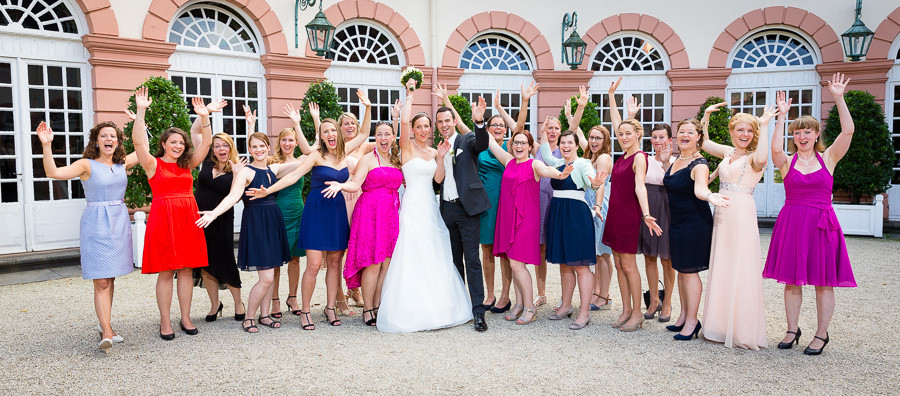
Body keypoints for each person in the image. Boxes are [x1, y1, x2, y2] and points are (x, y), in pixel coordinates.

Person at [244, 90, 370, 330]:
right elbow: (292, 177)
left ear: (338, 134)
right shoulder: (315, 156)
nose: (330, 134)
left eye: (333, 130)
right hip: (315, 213)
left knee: (335, 263)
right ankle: (305, 310)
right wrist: (267, 191)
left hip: (336, 213)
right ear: (320, 136)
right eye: (325, 131)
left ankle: (330, 307)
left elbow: (364, 133)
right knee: (313, 265)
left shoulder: (344, 152)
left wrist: (368, 106)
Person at [764, 74, 856, 355]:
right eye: (797, 132)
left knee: (823, 281)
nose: (802, 137)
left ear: (816, 135)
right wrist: (781, 117)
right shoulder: (786, 162)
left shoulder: (829, 158)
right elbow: (775, 149)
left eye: (807, 132)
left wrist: (839, 98)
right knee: (792, 280)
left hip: (820, 224)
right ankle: (792, 329)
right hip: (792, 223)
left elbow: (848, 131)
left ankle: (821, 334)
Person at [375, 87, 475, 333]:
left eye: (426, 126)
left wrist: (440, 158)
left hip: (430, 204)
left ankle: (442, 307)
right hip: (411, 206)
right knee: (411, 251)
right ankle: (410, 308)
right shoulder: (406, 147)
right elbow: (405, 121)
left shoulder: (434, 151)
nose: (422, 130)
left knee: (434, 251)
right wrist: (409, 93)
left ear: (431, 129)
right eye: (418, 126)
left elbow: (438, 179)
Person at [36, 120, 138, 352]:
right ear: (96, 140)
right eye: (104, 136)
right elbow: (53, 173)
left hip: (118, 222)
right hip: (96, 224)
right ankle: (107, 332)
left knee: (110, 278)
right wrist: (46, 145)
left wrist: (139, 115)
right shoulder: (87, 165)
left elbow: (144, 148)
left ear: (118, 141)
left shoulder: (123, 164)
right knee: (101, 279)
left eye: (113, 136)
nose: (109, 139)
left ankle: (106, 327)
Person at [131, 86, 218, 340]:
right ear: (163, 144)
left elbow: (207, 144)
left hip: (187, 218)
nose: (178, 146)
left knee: (188, 270)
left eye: (181, 143)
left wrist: (204, 118)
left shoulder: (187, 164)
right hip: (163, 219)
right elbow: (138, 141)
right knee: (166, 271)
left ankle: (186, 317)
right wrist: (140, 111)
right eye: (173, 142)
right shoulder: (152, 163)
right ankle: (165, 321)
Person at [197, 129, 304, 332]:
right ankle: (249, 317)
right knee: (267, 278)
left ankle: (264, 315)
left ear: (268, 147)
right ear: (249, 149)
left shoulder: (274, 169)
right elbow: (232, 196)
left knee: (271, 272)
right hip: (256, 224)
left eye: (262, 145)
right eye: (254, 146)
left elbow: (304, 161)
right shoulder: (246, 172)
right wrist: (213, 213)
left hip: (274, 222)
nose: (258, 149)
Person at [699, 101, 777, 350]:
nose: (745, 135)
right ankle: (719, 326)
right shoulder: (727, 152)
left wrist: (764, 126)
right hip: (722, 214)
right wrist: (706, 118)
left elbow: (764, 157)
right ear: (732, 132)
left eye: (750, 131)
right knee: (722, 264)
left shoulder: (756, 156)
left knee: (741, 266)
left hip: (742, 212)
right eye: (740, 130)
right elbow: (704, 143)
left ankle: (741, 329)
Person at [323, 117, 404, 326]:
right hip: (370, 213)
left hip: (391, 215)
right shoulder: (368, 159)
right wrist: (340, 186)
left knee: (386, 263)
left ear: (393, 137)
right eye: (379, 134)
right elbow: (356, 183)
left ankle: (378, 305)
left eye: (387, 134)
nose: (383, 138)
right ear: (375, 138)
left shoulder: (397, 160)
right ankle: (367, 309)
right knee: (373, 262)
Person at [489, 129, 572, 325]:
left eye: (523, 143)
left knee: (517, 264)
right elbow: (491, 142)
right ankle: (518, 305)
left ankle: (529, 307)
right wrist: (479, 121)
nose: (519, 146)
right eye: (516, 143)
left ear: (529, 146)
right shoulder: (508, 161)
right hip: (508, 218)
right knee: (513, 263)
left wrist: (560, 175)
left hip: (526, 220)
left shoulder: (534, 163)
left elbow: (547, 171)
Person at [603, 77, 662, 332]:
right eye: (621, 134)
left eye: (629, 133)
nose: (624, 136)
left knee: (628, 265)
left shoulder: (639, 157)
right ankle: (626, 309)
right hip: (614, 215)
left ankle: (637, 312)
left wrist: (647, 214)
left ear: (639, 134)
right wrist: (611, 97)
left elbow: (640, 186)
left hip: (629, 216)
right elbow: (618, 123)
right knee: (617, 264)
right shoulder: (623, 154)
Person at [662, 118, 729, 341]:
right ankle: (682, 316)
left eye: (691, 132)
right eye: (682, 131)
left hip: (694, 223)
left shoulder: (699, 164)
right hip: (678, 223)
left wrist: (710, 195)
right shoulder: (677, 160)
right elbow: (675, 183)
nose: (685, 135)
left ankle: (692, 321)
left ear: (698, 137)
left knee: (689, 272)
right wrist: (664, 163)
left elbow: (700, 188)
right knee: (682, 270)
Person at [433, 87, 493, 332]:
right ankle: (458, 307)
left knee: (472, 260)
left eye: (448, 120)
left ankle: (478, 312)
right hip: (447, 210)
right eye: (440, 122)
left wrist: (479, 121)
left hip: (468, 210)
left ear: (454, 122)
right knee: (453, 260)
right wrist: (438, 158)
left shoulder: (466, 140)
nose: (444, 125)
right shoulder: (437, 147)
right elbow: (435, 182)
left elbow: (482, 144)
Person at [539, 127, 606, 330]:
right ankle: (565, 306)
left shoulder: (583, 163)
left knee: (580, 266)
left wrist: (594, 184)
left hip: (575, 215)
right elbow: (546, 155)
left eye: (570, 142)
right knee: (565, 264)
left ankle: (584, 313)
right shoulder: (559, 163)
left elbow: (591, 182)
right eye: (563, 142)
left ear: (577, 146)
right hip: (558, 214)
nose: (566, 146)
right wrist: (543, 132)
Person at [310, 103, 372, 312]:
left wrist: (370, 107)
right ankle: (337, 300)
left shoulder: (353, 148)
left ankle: (350, 291)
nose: (349, 126)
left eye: (352, 123)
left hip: (352, 196)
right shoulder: (325, 151)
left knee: (344, 253)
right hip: (333, 202)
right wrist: (314, 119)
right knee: (329, 258)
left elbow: (383, 142)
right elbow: (299, 167)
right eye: (345, 124)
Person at [533, 86, 590, 308]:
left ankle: (572, 303)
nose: (553, 131)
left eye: (557, 128)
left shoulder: (567, 149)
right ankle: (543, 293)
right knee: (544, 248)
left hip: (568, 204)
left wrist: (580, 108)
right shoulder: (543, 150)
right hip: (545, 201)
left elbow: (573, 128)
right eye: (550, 128)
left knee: (567, 253)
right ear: (545, 131)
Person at [193, 130, 247, 323]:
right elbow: (195, 131)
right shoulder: (207, 161)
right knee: (205, 263)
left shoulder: (238, 168)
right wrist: (204, 113)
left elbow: (236, 196)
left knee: (226, 262)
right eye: (217, 145)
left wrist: (237, 173)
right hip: (200, 220)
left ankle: (239, 303)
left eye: (224, 145)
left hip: (222, 220)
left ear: (230, 147)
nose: (220, 148)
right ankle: (215, 305)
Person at [275, 106, 313, 319]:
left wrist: (298, 123)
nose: (287, 144)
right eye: (284, 140)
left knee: (295, 259)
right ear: (279, 143)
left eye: (291, 140)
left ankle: (292, 296)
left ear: (296, 143)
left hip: (298, 213)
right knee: (276, 259)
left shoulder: (302, 160)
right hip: (278, 213)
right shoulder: (272, 161)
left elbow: (311, 151)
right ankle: (274, 300)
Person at [640, 123, 675, 322]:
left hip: (668, 208)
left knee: (667, 258)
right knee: (649, 256)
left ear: (670, 140)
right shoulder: (644, 160)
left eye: (662, 137)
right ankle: (654, 300)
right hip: (649, 209)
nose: (658, 141)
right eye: (655, 137)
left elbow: (675, 183)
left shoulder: (677, 161)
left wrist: (666, 162)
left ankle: (668, 301)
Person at [582, 125, 614, 312]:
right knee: (596, 253)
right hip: (590, 203)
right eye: (591, 137)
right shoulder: (591, 155)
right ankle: (597, 292)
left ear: (605, 141)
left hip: (600, 205)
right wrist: (574, 115)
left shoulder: (603, 157)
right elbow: (576, 131)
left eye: (598, 138)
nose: (594, 141)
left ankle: (604, 295)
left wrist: (598, 206)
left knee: (603, 253)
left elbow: (600, 183)